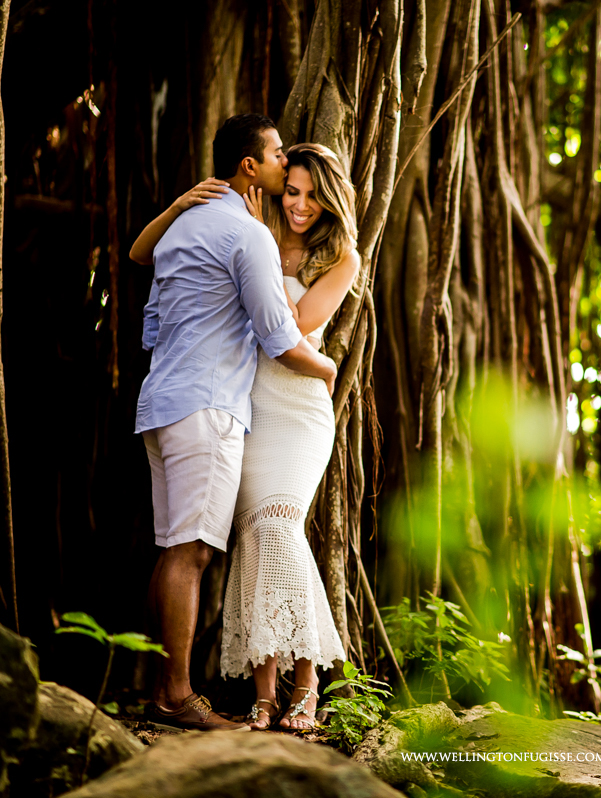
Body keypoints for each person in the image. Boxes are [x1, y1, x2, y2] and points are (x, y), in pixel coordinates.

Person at [134, 142, 356, 731]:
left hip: (300, 407)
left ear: (330, 199)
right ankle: (264, 694)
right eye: (293, 190)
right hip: (246, 400)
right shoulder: (252, 233)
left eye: (312, 194)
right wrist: (256, 242)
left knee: (281, 527)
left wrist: (258, 246)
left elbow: (296, 326)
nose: (300, 204)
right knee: (257, 536)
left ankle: (306, 685)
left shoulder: (340, 257)